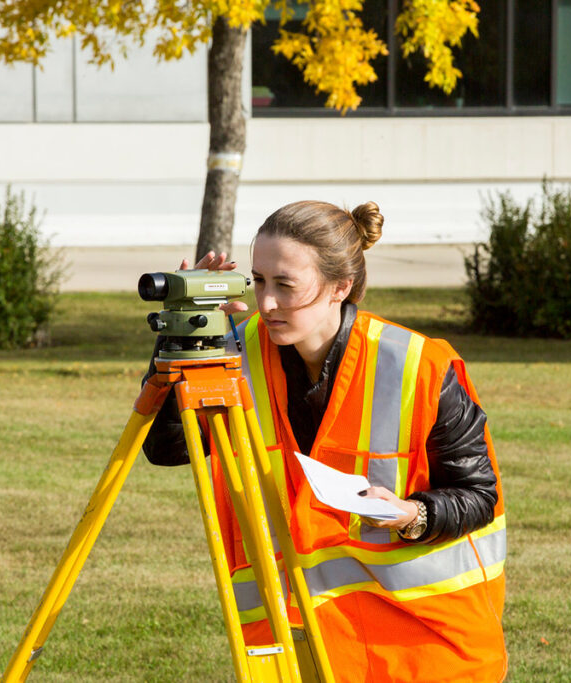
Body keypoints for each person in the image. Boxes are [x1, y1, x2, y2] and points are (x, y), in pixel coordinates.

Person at [143, 200, 507, 682]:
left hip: (424, 649)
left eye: (286, 285)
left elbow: (479, 496)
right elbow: (166, 448)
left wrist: (412, 514)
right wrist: (180, 343)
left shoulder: (419, 367)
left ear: (341, 287)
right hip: (304, 644)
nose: (266, 303)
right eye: (259, 282)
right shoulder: (237, 353)